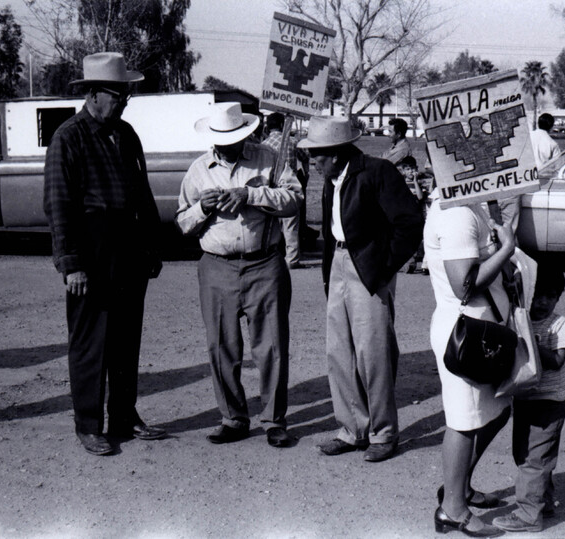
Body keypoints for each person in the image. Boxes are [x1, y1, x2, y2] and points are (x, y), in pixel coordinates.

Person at [43, 52, 166, 456]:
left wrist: (151, 245)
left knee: (126, 338)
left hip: (129, 246)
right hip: (92, 247)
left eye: (127, 95)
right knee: (90, 341)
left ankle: (125, 417)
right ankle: (89, 424)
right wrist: (71, 264)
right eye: (118, 94)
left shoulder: (127, 134)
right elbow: (59, 206)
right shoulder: (68, 137)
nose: (124, 101)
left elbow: (143, 194)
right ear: (93, 94)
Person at [297, 116, 424, 463]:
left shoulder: (377, 172)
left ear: (337, 153)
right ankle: (352, 429)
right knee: (339, 352)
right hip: (338, 264)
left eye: (318, 154)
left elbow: (410, 223)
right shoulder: (332, 178)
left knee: (374, 354)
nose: (314, 161)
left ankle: (383, 432)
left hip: (369, 269)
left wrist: (384, 267)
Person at [176, 102, 302, 448]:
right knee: (222, 345)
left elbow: (293, 200)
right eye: (220, 139)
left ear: (244, 135)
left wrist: (250, 194)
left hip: (265, 263)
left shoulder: (268, 159)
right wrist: (204, 206)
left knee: (271, 345)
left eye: (232, 138)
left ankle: (275, 420)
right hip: (216, 266)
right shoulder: (199, 170)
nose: (225, 145)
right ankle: (233, 417)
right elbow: (183, 222)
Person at [424, 186, 515, 537]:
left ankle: (457, 486)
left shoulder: (469, 203)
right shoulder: (457, 213)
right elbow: (465, 284)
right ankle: (452, 511)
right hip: (467, 335)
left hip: (481, 330)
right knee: (465, 421)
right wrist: (506, 248)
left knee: (496, 411)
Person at [493, 264, 565, 533]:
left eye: (550, 297)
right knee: (526, 453)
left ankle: (529, 514)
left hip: (550, 401)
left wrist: (531, 343)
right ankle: (543, 502)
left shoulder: (558, 324)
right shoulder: (521, 319)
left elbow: (558, 360)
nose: (543, 302)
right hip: (526, 398)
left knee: (536, 458)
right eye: (538, 295)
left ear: (558, 298)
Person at [261, 112, 311, 269]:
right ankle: (292, 259)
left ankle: (270, 256)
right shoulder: (292, 141)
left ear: (268, 127)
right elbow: (306, 157)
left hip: (270, 189)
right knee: (291, 225)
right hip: (289, 187)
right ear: (283, 125)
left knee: (271, 224)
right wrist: (306, 173)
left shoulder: (263, 145)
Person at [397, 155, 431, 274]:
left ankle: (420, 261)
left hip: (417, 216)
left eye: (412, 169)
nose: (410, 171)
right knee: (406, 239)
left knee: (418, 239)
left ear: (416, 169)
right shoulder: (400, 183)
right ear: (403, 171)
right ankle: (410, 262)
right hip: (405, 216)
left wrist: (416, 182)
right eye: (407, 169)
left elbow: (420, 197)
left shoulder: (420, 183)